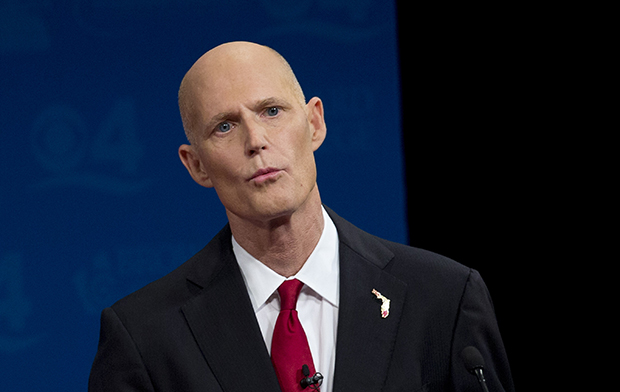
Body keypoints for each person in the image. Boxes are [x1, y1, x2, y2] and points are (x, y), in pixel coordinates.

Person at [88, 41, 514, 392]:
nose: (256, 141)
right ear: (196, 165)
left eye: (271, 111)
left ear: (315, 123)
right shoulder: (145, 337)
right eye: (225, 127)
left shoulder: (444, 299)